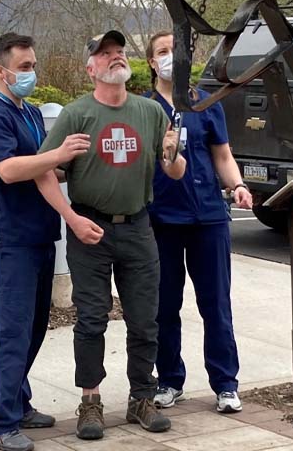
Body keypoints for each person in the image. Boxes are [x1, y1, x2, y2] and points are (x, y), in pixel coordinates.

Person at [34, 29, 186, 441]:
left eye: (119, 52)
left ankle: (142, 397)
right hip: (90, 229)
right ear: (91, 69)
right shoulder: (76, 114)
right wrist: (71, 218)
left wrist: (172, 154)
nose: (115, 58)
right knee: (91, 321)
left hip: (137, 227)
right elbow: (43, 170)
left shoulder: (151, 112)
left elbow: (174, 168)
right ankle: (91, 402)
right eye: (105, 54)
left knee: (145, 319)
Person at [0, 32, 99, 451]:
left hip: (39, 235)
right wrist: (58, 155)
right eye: (24, 67)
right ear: (0, 71)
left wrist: (74, 168)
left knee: (34, 330)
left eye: (33, 65)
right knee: (12, 332)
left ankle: (18, 403)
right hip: (12, 240)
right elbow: (8, 170)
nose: (32, 73)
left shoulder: (25, 112)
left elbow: (41, 169)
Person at [144, 31, 252, 414]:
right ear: (152, 63)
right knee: (164, 306)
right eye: (163, 52)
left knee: (216, 305)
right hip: (161, 222)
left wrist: (237, 185)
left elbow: (222, 155)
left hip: (209, 219)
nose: (172, 57)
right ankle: (170, 381)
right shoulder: (144, 109)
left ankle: (225, 384)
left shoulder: (206, 102)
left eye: (178, 50)